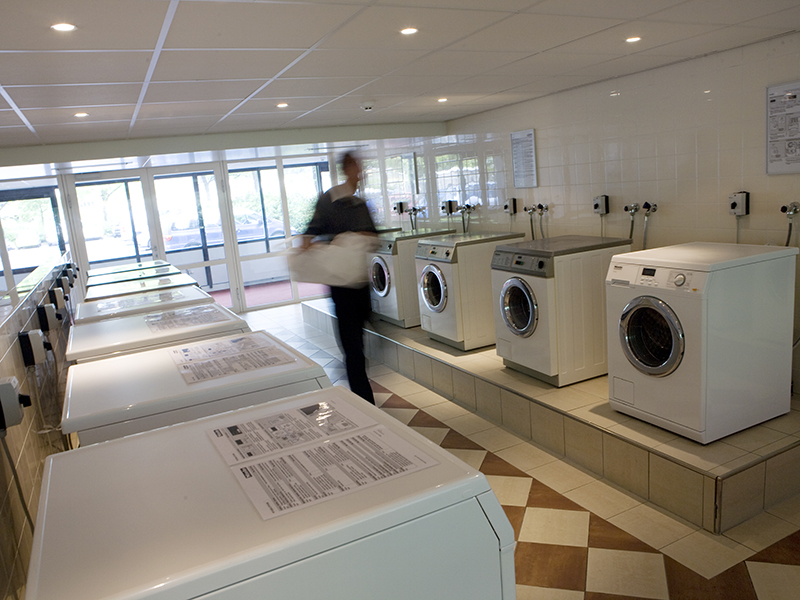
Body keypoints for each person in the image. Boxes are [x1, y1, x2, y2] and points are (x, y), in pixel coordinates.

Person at [303, 152, 377, 404]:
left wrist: (359, 240)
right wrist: (335, 246)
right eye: (358, 167)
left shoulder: (360, 203)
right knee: (352, 347)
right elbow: (309, 235)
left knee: (358, 343)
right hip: (341, 286)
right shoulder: (330, 200)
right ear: (347, 169)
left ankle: (362, 391)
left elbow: (374, 236)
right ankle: (364, 399)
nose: (361, 172)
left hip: (360, 283)